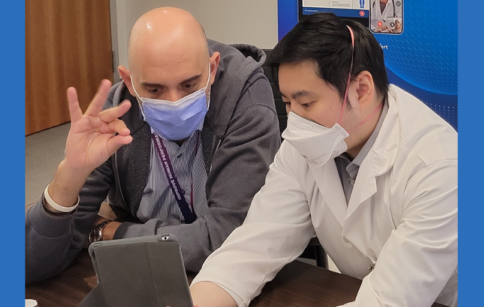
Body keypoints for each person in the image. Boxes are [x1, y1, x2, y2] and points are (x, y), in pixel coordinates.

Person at [190, 13, 457, 307]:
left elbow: (386, 301)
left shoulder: (439, 167)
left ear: (361, 89)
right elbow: (252, 249)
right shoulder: (310, 144)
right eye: (288, 103)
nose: (294, 121)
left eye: (306, 103)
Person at [25, 7, 281, 284]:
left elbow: (227, 239)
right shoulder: (117, 108)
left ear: (212, 68)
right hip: (142, 276)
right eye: (155, 90)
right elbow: (31, 264)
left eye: (189, 85)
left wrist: (112, 233)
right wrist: (69, 176)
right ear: (129, 81)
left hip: (229, 284)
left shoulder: (246, 98)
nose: (174, 103)